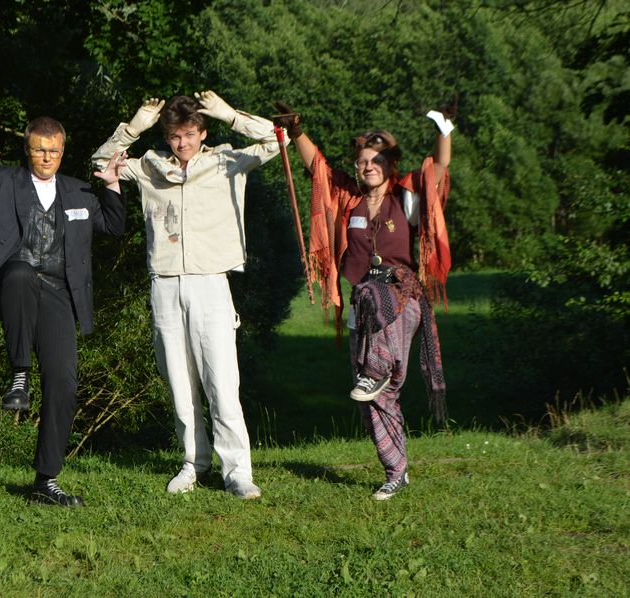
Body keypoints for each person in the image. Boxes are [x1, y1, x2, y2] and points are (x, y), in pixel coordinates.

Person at [92, 91, 286, 499]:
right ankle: (193, 463)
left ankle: (237, 472)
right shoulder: (151, 165)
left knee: (221, 382)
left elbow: (277, 140)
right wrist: (136, 125)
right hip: (164, 284)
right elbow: (100, 163)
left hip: (211, 281)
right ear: (167, 136)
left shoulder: (227, 160)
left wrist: (228, 114)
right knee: (180, 384)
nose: (182, 143)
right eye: (175, 136)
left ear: (202, 132)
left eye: (190, 134)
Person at [0, 117, 127, 507]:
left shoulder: (77, 191)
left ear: (63, 151)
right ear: (28, 149)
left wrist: (112, 183)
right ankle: (20, 373)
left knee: (63, 382)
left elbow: (113, 225)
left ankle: (46, 481)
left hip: (58, 292)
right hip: (12, 283)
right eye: (40, 149)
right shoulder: (3, 180)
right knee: (22, 272)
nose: (47, 157)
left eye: (54, 151)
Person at [273, 99, 454, 500]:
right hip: (362, 302)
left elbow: (439, 167)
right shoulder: (349, 198)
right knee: (373, 398)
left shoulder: (406, 195)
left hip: (400, 297)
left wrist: (444, 129)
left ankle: (378, 367)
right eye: (362, 161)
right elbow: (318, 170)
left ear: (390, 164)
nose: (368, 167)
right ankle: (396, 470)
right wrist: (296, 131)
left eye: (376, 160)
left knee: (382, 381)